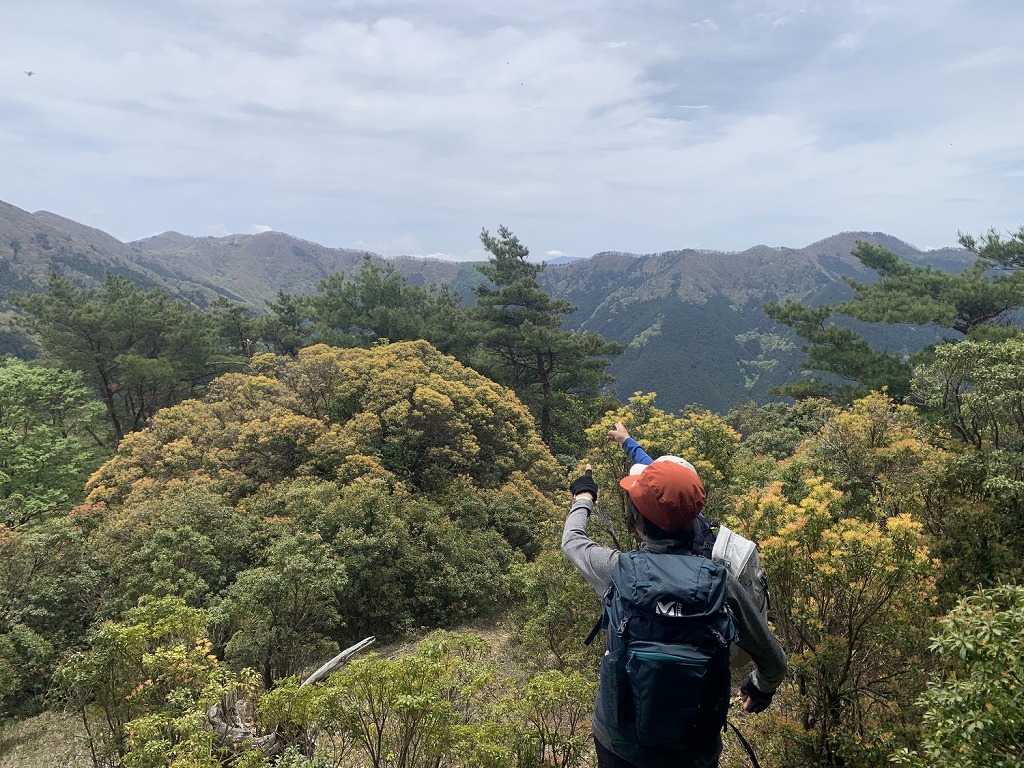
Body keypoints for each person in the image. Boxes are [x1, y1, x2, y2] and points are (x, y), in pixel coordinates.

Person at [561, 424, 787, 768]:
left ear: (637, 521)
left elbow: (573, 540)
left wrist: (583, 497)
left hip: (620, 745)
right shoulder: (720, 583)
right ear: (696, 518)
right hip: (693, 750)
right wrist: (760, 686)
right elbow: (775, 662)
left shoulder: (616, 569)